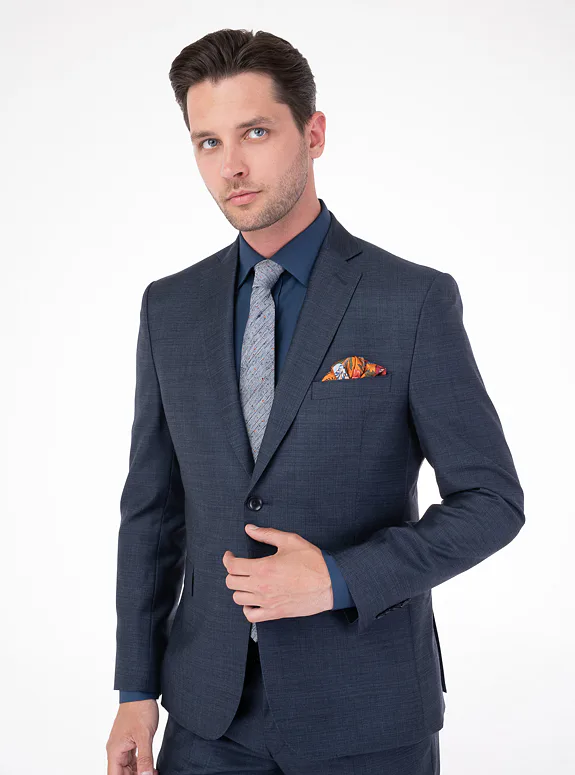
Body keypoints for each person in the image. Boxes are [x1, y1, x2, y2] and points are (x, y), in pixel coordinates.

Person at [106, 28, 525, 775]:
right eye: (207, 142)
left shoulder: (411, 300)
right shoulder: (169, 307)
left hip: (368, 713)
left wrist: (338, 577)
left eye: (255, 132)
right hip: (206, 718)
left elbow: (492, 502)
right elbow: (152, 513)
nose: (231, 166)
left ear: (314, 134)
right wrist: (136, 690)